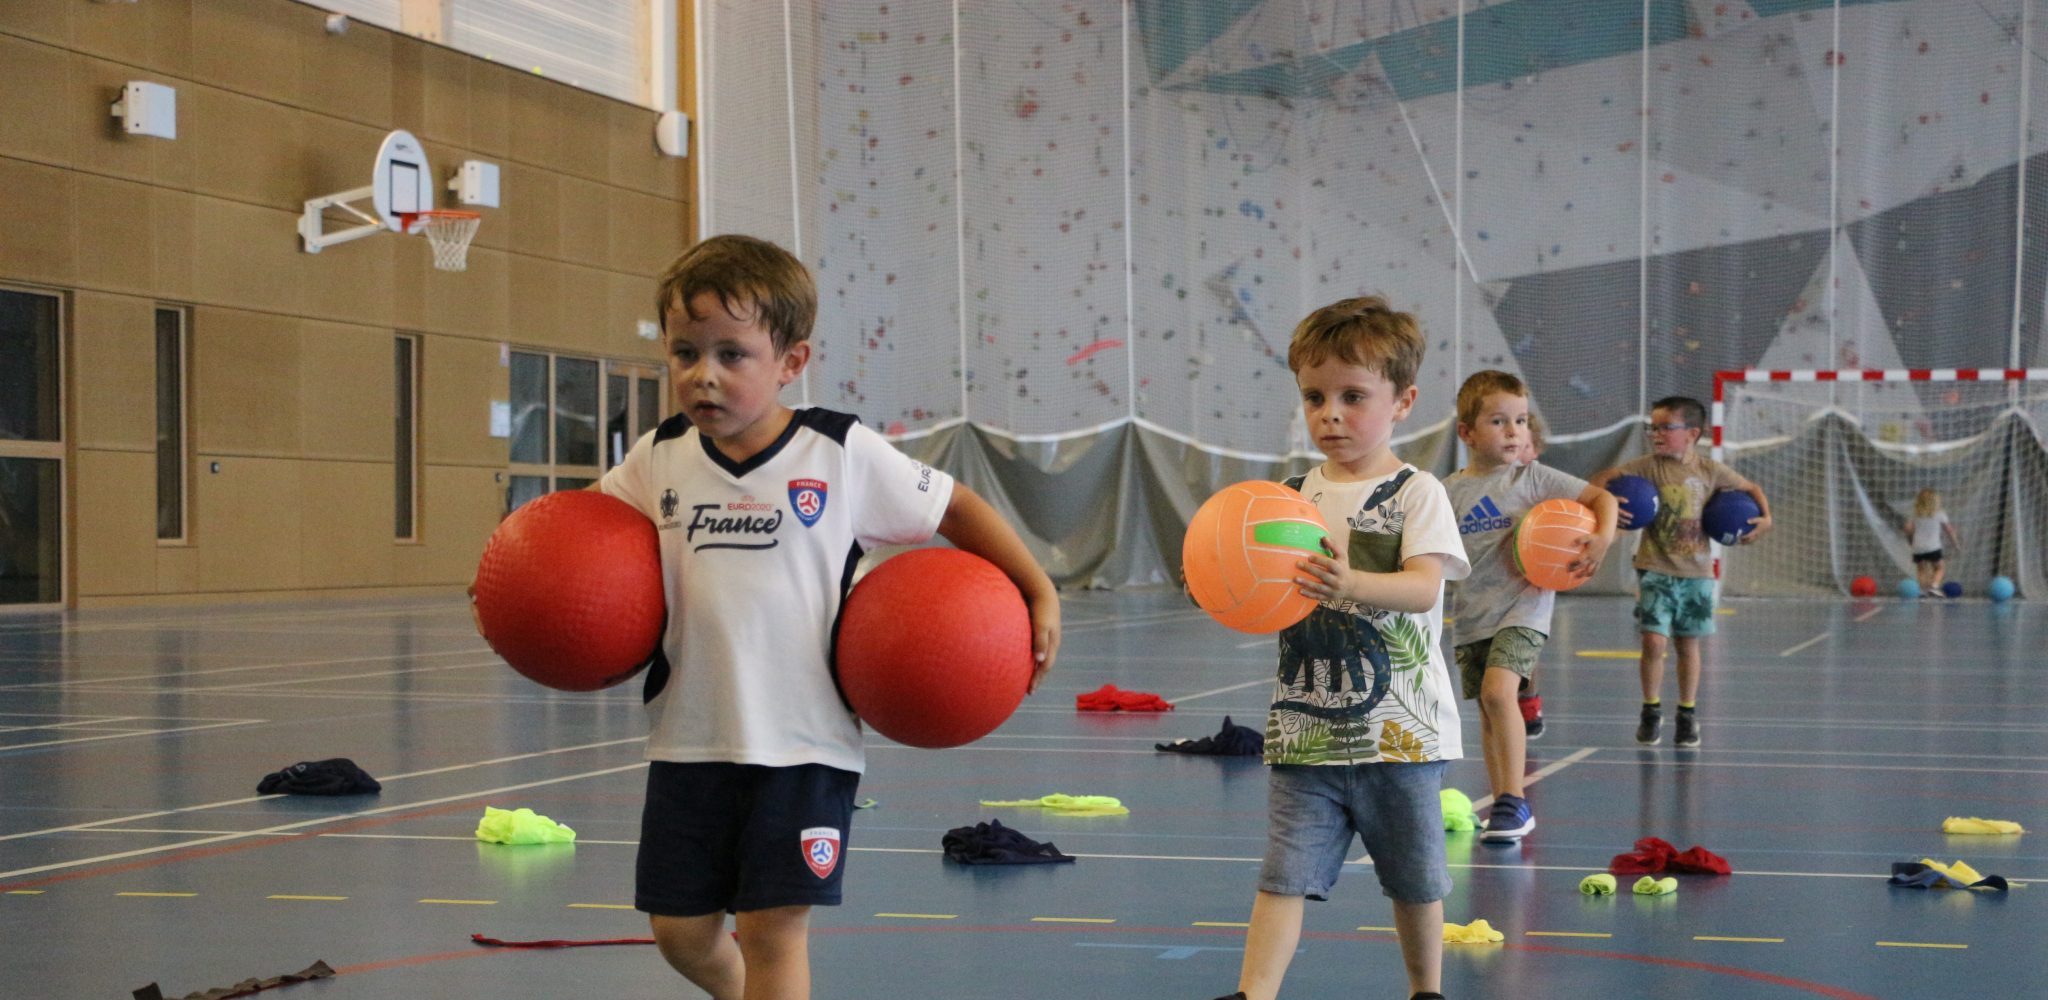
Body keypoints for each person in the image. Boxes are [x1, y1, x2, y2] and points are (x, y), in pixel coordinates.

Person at [584, 235, 1060, 1000]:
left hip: (805, 748)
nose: (703, 375)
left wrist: (1038, 588)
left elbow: (955, 507)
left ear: (791, 362)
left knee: (773, 929)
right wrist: (512, 597)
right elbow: (579, 548)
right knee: (680, 933)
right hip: (688, 739)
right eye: (685, 352)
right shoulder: (660, 454)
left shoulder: (839, 452)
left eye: (732, 354)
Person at [1210, 296, 1469, 1000]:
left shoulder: (1416, 494)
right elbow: (1261, 591)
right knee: (1284, 876)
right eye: (1315, 396)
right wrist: (1217, 577)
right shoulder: (1285, 499)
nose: (1331, 413)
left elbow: (1422, 589)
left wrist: (1351, 580)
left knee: (1414, 881)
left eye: (1353, 396)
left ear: (1403, 401)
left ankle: (1426, 991)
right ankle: (1252, 994)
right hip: (1305, 731)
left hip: (1401, 737)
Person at [1441, 372, 1617, 842]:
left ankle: (1514, 801)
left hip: (1524, 608)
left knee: (1501, 694)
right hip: (1471, 615)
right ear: (1467, 433)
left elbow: (1602, 499)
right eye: (1499, 421)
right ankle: (1503, 801)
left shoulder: (1534, 477)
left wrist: (1602, 538)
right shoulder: (1445, 492)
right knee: (1486, 708)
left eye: (1520, 420)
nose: (1514, 431)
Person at [1589, 396, 1770, 749]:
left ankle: (1687, 713)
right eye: (1652, 427)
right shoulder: (1647, 467)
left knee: (1688, 644)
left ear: (1692, 434)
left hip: (1698, 573)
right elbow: (1602, 479)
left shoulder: (1710, 471)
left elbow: (1753, 489)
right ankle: (1651, 709)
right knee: (1653, 641)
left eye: (1664, 428)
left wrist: (1766, 519)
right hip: (1655, 567)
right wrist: (1605, 497)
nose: (1655, 434)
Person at [1905, 488, 1960, 593]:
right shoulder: (1940, 514)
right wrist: (1956, 544)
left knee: (1921, 570)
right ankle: (1934, 587)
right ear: (1936, 501)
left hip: (1918, 547)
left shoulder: (1915, 514)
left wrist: (1910, 541)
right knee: (1940, 568)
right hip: (1933, 547)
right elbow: (1949, 531)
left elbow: (1907, 529)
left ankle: (1923, 591)